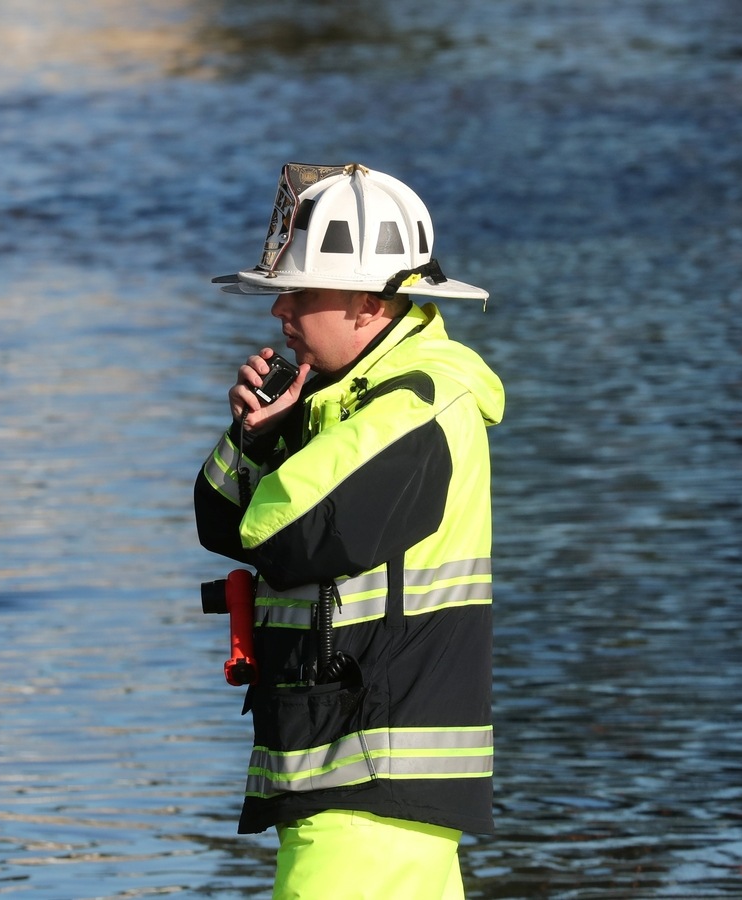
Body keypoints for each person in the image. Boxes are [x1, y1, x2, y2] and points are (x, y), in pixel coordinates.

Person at [194, 162, 504, 899]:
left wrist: (286, 433)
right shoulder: (347, 403)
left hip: (370, 788)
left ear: (369, 301)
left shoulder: (416, 403)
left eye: (300, 291)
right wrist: (255, 434)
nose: (281, 313)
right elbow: (218, 521)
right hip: (348, 785)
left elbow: (277, 533)